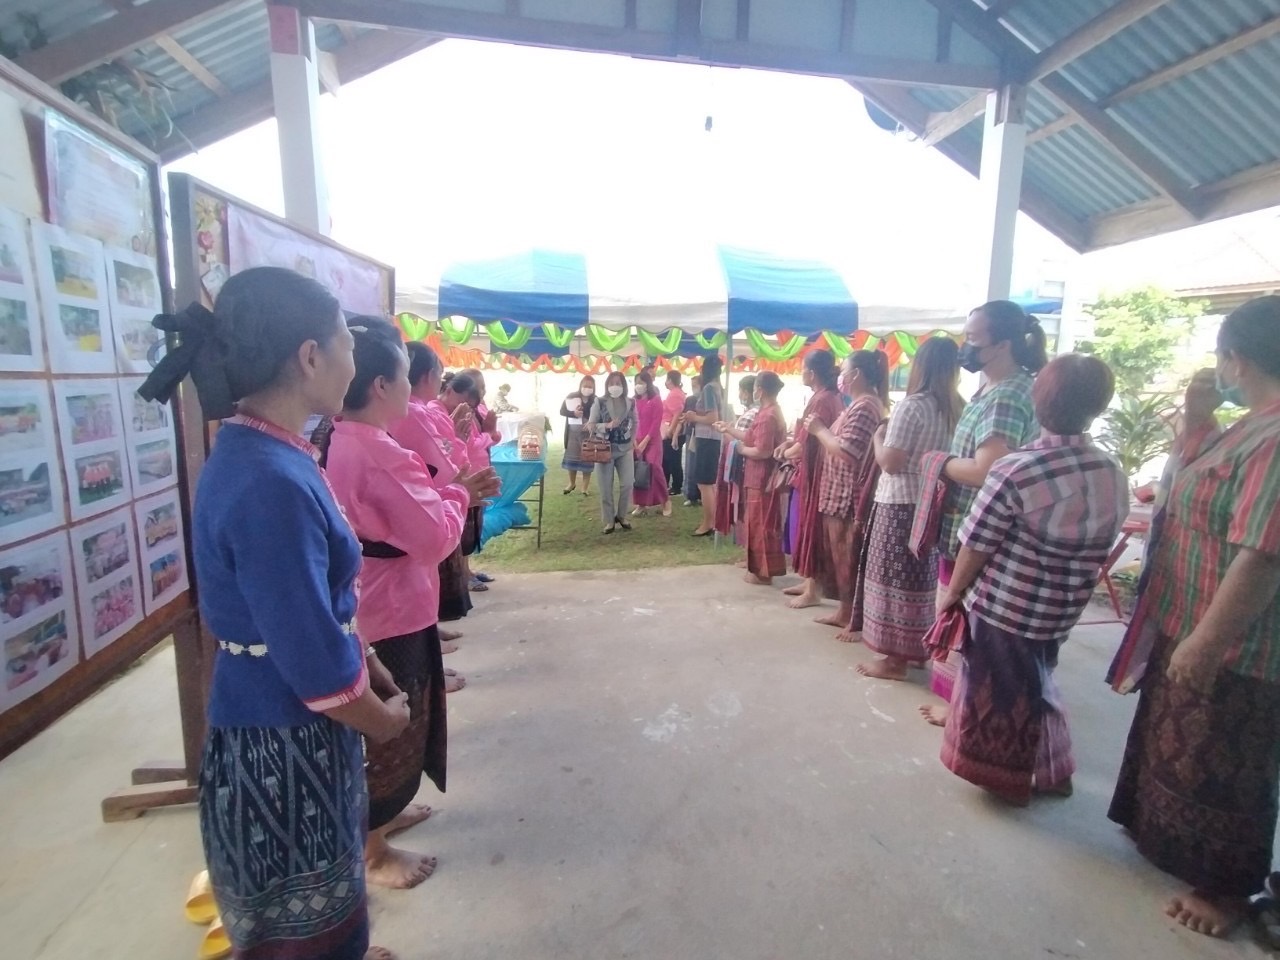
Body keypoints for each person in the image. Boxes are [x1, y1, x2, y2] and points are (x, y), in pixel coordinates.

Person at [140, 267, 409, 960]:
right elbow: (312, 661)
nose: (355, 358)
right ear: (310, 356)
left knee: (318, 909)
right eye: (347, 342)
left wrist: (366, 658)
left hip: (286, 728)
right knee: (296, 926)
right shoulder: (268, 479)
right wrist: (383, 722)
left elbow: (311, 602)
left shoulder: (273, 453)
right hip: (281, 742)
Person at [1109, 296, 1280, 938]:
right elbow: (1191, 482)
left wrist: (1208, 641)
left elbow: (1263, 553)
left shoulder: (1276, 437)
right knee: (1181, 743)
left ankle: (1225, 887)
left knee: (1226, 757)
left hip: (1238, 642)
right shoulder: (1250, 425)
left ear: (1237, 359)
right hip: (1189, 613)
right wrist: (1199, 418)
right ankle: (1168, 840)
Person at [325, 320, 497, 890]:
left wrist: (451, 490)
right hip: (391, 604)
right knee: (391, 728)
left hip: (380, 597)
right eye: (406, 376)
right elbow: (432, 536)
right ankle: (373, 849)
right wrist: (458, 494)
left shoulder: (350, 439)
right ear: (381, 384)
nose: (416, 390)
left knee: (396, 723)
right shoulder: (376, 450)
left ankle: (380, 823)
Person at [937, 353, 1126, 806]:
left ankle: (1009, 777)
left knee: (1004, 692)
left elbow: (976, 543)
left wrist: (953, 592)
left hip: (1007, 605)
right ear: (1098, 405)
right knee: (1040, 682)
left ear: (1039, 402)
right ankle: (1055, 768)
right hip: (1063, 607)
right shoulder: (1110, 470)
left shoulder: (1017, 468)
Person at [923, 300, 1047, 726]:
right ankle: (960, 703)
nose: (966, 347)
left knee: (966, 616)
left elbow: (987, 470)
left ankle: (962, 708)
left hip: (980, 530)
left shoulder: (1007, 396)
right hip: (970, 525)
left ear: (1003, 345)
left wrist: (938, 463)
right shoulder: (996, 390)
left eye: (974, 339)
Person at [858, 337, 964, 679]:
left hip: (900, 502)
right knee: (921, 579)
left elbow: (891, 462)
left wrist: (878, 438)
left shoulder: (913, 406)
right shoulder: (958, 407)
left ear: (920, 366)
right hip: (933, 501)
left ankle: (894, 660)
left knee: (892, 579)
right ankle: (917, 650)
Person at [390, 343, 477, 662]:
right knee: (418, 580)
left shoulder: (418, 411)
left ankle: (430, 635)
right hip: (426, 505)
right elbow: (443, 463)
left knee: (425, 579)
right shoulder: (414, 413)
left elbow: (445, 452)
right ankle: (429, 647)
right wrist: (460, 488)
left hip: (425, 502)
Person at [803, 350, 888, 637]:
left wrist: (819, 430)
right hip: (837, 494)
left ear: (857, 375)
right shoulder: (859, 404)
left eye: (844, 372)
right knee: (840, 558)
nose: (840, 377)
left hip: (847, 497)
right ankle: (844, 612)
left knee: (848, 559)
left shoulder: (866, 406)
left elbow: (848, 450)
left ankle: (853, 617)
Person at [782, 350, 845, 609]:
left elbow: (809, 440)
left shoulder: (822, 400)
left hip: (817, 471)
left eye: (803, 369)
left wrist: (785, 453)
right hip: (812, 470)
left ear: (812, 372)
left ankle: (813, 589)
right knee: (805, 526)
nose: (801, 373)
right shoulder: (826, 397)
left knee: (812, 527)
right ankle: (808, 580)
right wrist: (790, 445)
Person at [720, 372, 786, 584]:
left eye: (756, 387)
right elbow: (751, 437)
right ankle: (758, 569)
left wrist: (740, 449)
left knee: (761, 525)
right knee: (756, 524)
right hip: (756, 476)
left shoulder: (767, 416)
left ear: (761, 390)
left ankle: (762, 574)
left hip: (761, 477)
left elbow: (763, 450)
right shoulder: (768, 411)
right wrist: (729, 430)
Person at [586, 371, 638, 534]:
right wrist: (606, 426)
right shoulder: (600, 401)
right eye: (612, 383)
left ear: (623, 385)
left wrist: (632, 439)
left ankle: (621, 516)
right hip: (604, 448)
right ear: (607, 385)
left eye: (618, 383)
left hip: (625, 449)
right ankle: (609, 521)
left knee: (627, 484)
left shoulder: (631, 402)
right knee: (605, 488)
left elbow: (636, 422)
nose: (615, 386)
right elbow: (591, 425)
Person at [713, 376, 758, 542]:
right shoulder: (757, 412)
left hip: (743, 467)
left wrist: (725, 431)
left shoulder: (751, 415)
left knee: (744, 511)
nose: (739, 394)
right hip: (748, 467)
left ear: (746, 392)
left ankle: (745, 543)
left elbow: (739, 443)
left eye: (740, 391)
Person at [685, 355, 726, 537]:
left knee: (704, 483)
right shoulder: (718, 387)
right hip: (713, 439)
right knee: (709, 483)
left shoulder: (709, 388)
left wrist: (694, 417)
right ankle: (712, 521)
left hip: (708, 439)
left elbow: (712, 418)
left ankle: (709, 522)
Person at [630, 369, 672, 517]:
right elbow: (631, 421)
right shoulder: (633, 401)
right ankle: (641, 504)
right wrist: (634, 440)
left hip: (652, 441)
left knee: (655, 469)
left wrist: (645, 441)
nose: (638, 385)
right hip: (636, 440)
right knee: (639, 471)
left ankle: (666, 501)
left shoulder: (656, 400)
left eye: (641, 382)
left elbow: (656, 422)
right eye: (636, 383)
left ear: (648, 384)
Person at [559, 375, 597, 495]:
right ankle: (571, 483)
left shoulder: (596, 400)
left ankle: (585, 488)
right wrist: (573, 413)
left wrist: (591, 422)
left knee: (587, 459)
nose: (587, 388)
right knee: (572, 458)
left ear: (594, 388)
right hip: (573, 433)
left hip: (589, 434)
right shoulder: (571, 397)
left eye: (590, 386)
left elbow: (600, 415)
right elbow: (562, 411)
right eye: (585, 386)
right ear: (580, 385)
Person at [677, 374, 703, 506]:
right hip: (691, 433)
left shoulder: (706, 399)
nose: (694, 388)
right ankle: (691, 494)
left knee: (699, 465)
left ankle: (701, 494)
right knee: (690, 464)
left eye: (696, 385)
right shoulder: (690, 400)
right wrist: (677, 434)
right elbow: (683, 418)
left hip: (703, 434)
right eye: (692, 386)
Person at [661, 370, 687, 495]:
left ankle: (676, 486)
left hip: (672, 432)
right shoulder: (676, 393)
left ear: (670, 380)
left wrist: (670, 430)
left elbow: (677, 413)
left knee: (672, 460)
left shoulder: (675, 394)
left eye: (667, 379)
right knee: (669, 459)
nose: (665, 382)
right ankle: (670, 484)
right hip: (671, 430)